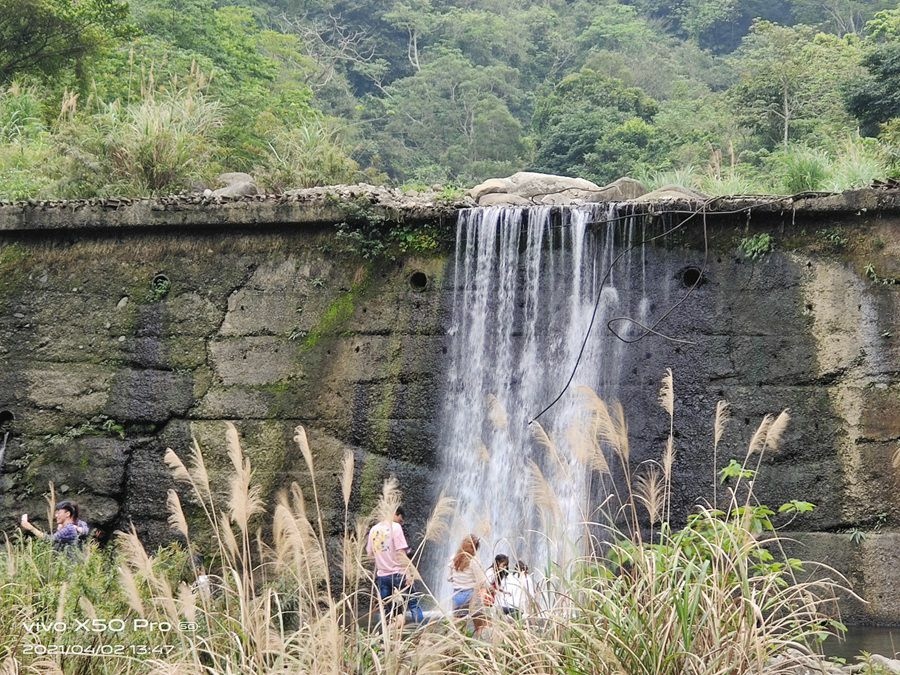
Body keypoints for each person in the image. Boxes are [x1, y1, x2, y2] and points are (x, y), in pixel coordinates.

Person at [366, 506, 413, 626]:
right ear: (395, 514)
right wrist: (408, 573)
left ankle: (389, 632)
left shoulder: (373, 530)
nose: (401, 523)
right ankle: (422, 630)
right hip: (399, 573)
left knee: (389, 608)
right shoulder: (396, 527)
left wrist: (382, 559)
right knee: (413, 603)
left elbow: (369, 554)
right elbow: (401, 552)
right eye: (400, 519)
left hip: (382, 576)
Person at [447, 534, 488, 635]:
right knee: (480, 626)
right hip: (471, 595)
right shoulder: (473, 561)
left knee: (459, 628)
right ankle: (479, 643)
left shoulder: (453, 559)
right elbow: (482, 581)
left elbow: (449, 578)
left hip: (457, 595)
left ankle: (458, 644)